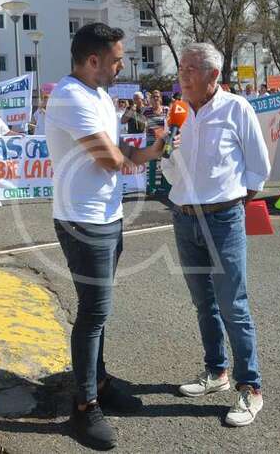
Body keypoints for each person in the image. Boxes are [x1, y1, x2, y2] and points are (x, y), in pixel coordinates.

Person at [46, 22, 167, 450]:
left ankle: (97, 380)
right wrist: (131, 156)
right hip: (83, 221)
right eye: (116, 60)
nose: (121, 67)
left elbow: (124, 153)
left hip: (107, 216)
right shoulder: (69, 96)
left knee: (98, 312)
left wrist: (156, 148)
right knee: (93, 312)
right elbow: (110, 160)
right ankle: (84, 406)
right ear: (93, 60)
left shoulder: (99, 96)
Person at [161, 42, 271, 428]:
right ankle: (216, 372)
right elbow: (171, 169)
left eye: (191, 68)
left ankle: (250, 388)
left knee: (232, 305)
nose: (183, 74)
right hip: (183, 217)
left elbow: (258, 166)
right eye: (181, 68)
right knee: (202, 302)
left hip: (223, 219)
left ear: (213, 76)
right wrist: (166, 154)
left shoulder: (236, 108)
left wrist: (230, 205)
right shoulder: (176, 113)